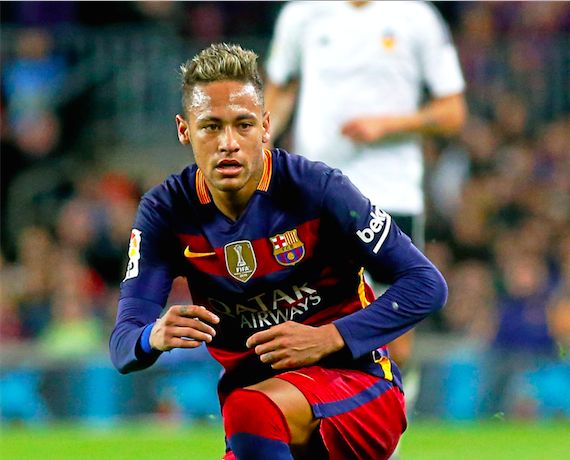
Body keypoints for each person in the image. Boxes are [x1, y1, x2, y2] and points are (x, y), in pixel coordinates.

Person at [110, 43, 447, 460]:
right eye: (211, 126)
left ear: (266, 126)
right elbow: (123, 343)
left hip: (358, 388)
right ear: (184, 130)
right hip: (264, 419)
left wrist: (329, 337)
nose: (228, 143)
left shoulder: (317, 189)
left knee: (249, 409)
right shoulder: (166, 212)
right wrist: (153, 336)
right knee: (250, 410)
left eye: (243, 125)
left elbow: (426, 284)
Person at [264, 0, 466, 370]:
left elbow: (452, 111)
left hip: (390, 193)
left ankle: (398, 403)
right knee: (311, 324)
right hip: (317, 197)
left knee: (395, 340)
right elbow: (281, 89)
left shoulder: (417, 17)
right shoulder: (301, 14)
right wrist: (260, 142)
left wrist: (388, 125)